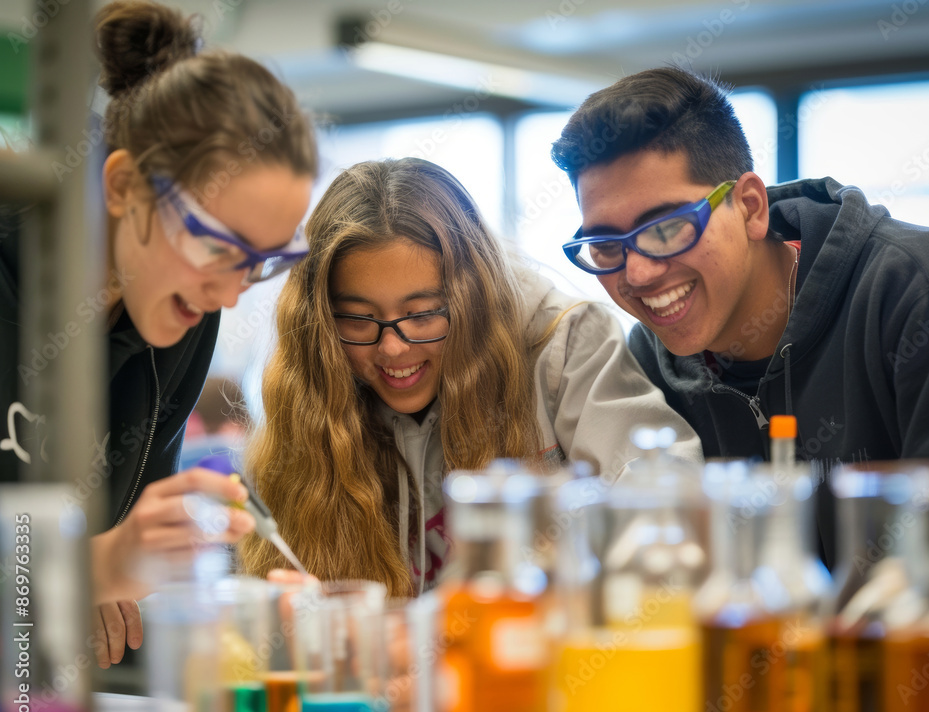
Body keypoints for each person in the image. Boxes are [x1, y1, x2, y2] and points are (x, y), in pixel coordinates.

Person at [550, 66, 929, 561]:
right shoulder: (650, 364)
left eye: (667, 228)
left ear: (749, 206)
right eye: (605, 245)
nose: (637, 275)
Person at [0, 1, 317, 667]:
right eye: (215, 246)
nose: (231, 293)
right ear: (122, 185)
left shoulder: (180, 315)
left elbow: (101, 583)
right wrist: (91, 563)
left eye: (259, 262)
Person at [238, 157, 702, 596]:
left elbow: (666, 501)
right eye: (358, 319)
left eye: (421, 315)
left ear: (469, 299)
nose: (392, 348)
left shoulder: (558, 342)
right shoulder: (315, 383)